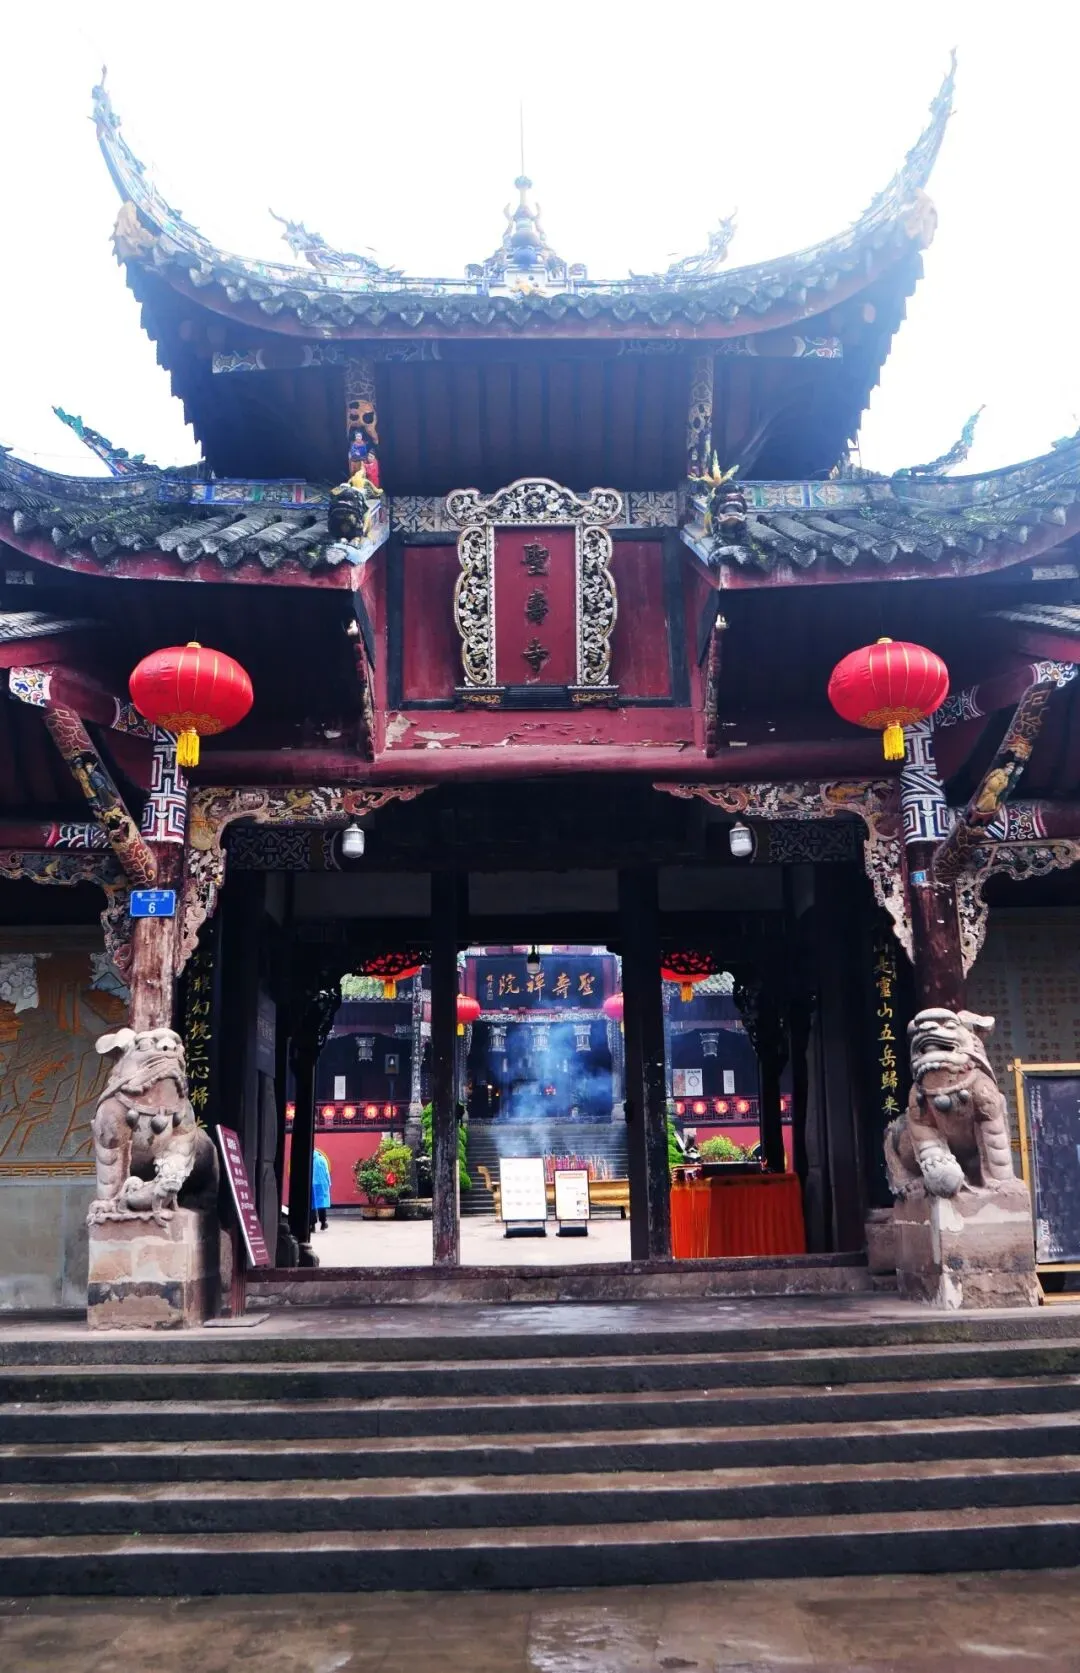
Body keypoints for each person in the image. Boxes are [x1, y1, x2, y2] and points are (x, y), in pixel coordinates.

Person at [311, 1147, 332, 1231]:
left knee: (312, 1205)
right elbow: (327, 1172)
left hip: (311, 1184)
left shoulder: (309, 1158)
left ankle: (312, 1225)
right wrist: (329, 1183)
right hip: (322, 1184)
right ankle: (323, 1223)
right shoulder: (322, 1158)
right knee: (321, 1204)